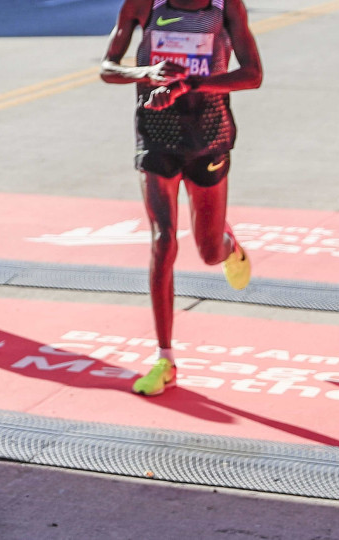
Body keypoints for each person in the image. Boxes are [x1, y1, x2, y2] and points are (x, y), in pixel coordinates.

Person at [100, 0, 262, 396]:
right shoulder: (142, 5)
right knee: (163, 240)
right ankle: (164, 358)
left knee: (208, 251)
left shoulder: (226, 7)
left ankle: (228, 243)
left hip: (208, 136)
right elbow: (107, 68)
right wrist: (146, 72)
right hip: (156, 135)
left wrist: (192, 84)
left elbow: (253, 74)